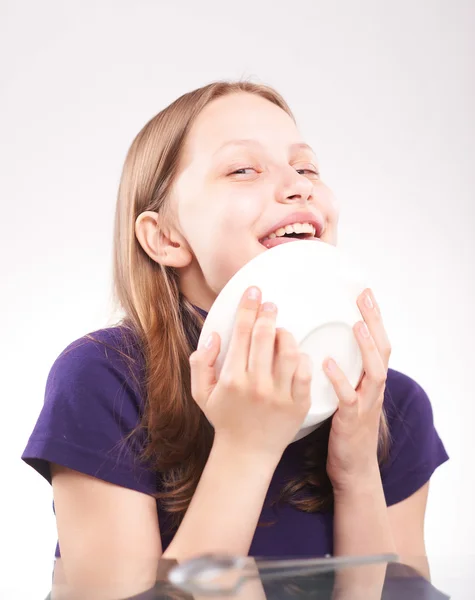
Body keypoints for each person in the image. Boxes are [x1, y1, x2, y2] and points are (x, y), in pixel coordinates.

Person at [22, 80, 449, 597]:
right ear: (166, 237)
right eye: (243, 169)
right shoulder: (105, 380)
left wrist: (357, 472)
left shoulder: (394, 406)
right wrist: (247, 449)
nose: (298, 186)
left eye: (306, 167)